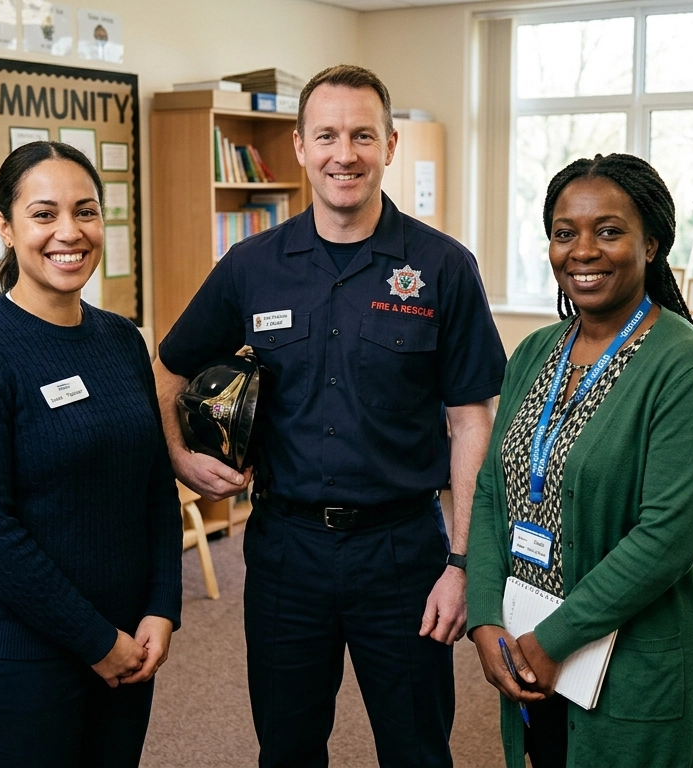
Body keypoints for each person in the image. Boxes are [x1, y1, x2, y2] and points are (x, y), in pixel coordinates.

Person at [154, 65, 505, 768]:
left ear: (390, 145)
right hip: (286, 551)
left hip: (403, 553)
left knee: (417, 751)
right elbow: (169, 369)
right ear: (300, 147)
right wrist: (180, 457)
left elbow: (472, 421)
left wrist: (464, 565)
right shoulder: (252, 266)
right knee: (286, 749)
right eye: (327, 136)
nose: (344, 154)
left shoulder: (443, 268)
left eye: (362, 136)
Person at [466, 154, 693, 767]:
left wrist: (552, 640)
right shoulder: (535, 351)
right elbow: (491, 493)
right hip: (528, 645)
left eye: (609, 231)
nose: (583, 251)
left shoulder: (688, 368)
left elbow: (666, 538)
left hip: (631, 667)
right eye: (565, 233)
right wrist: (484, 618)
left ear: (651, 244)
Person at [0, 141, 181, 768]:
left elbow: (153, 486)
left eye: (85, 211)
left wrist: (162, 606)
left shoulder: (122, 340)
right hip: (26, 659)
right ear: (5, 227)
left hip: (129, 644)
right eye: (44, 214)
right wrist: (97, 642)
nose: (69, 232)